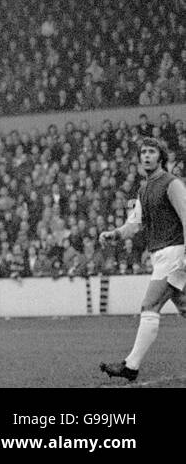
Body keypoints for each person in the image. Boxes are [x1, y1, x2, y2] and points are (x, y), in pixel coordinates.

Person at [99, 136, 186, 382]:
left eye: (151, 151)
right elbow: (134, 224)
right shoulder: (144, 188)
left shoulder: (172, 184)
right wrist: (115, 234)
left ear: (161, 156)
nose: (146, 156)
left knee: (150, 305)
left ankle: (131, 366)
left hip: (175, 253)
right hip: (162, 255)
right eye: (143, 152)